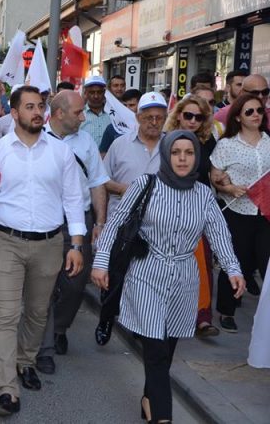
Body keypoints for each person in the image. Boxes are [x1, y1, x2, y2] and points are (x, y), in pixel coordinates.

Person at [92, 130, 245, 424]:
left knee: (167, 349)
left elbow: (219, 235)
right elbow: (115, 225)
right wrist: (100, 262)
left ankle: (149, 399)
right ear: (166, 155)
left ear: (197, 157)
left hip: (185, 281)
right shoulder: (145, 184)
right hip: (146, 274)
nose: (183, 158)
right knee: (156, 351)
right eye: (176, 152)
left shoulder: (203, 195)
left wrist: (234, 270)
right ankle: (163, 417)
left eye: (189, 152)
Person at [0, 85, 85, 417]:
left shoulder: (60, 152)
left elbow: (72, 200)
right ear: (14, 113)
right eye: (29, 106)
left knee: (38, 312)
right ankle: (7, 389)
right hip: (6, 241)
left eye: (40, 106)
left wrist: (77, 244)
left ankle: (26, 361)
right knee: (7, 315)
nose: (37, 112)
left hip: (50, 243)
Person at [36, 90, 109, 375]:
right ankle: (45, 343)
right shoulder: (38, 139)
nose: (83, 117)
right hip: (46, 222)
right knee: (44, 285)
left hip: (78, 222)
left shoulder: (86, 141)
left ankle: (60, 327)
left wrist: (99, 223)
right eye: (78, 112)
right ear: (59, 113)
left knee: (74, 285)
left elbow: (98, 182)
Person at [96, 91, 167, 345]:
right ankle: (106, 318)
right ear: (138, 117)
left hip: (158, 225)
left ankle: (142, 323)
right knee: (116, 276)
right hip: (123, 223)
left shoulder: (172, 146)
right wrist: (127, 190)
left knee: (147, 279)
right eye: (149, 117)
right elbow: (102, 181)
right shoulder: (120, 144)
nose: (154, 122)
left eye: (159, 117)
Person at [210, 93, 270, 331]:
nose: (256, 114)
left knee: (266, 263)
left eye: (259, 110)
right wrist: (228, 187)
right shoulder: (227, 145)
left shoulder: (269, 140)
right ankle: (227, 310)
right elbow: (215, 177)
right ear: (238, 117)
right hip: (236, 211)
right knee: (235, 261)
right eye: (250, 112)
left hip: (265, 213)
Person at [163, 94, 221, 337]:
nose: (193, 121)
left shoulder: (209, 143)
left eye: (199, 117)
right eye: (188, 115)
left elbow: (215, 173)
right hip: (169, 207)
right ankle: (164, 312)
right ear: (178, 115)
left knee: (202, 262)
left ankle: (202, 317)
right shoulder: (165, 140)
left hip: (200, 207)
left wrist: (225, 181)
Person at [99, 88, 142, 156]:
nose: (127, 109)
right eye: (124, 105)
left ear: (140, 106)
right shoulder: (112, 128)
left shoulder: (147, 128)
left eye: (131, 105)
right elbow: (103, 155)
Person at [80, 75, 111, 147]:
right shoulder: (79, 114)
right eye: (92, 92)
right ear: (85, 93)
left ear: (104, 93)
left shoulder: (113, 114)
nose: (96, 96)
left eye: (99, 92)